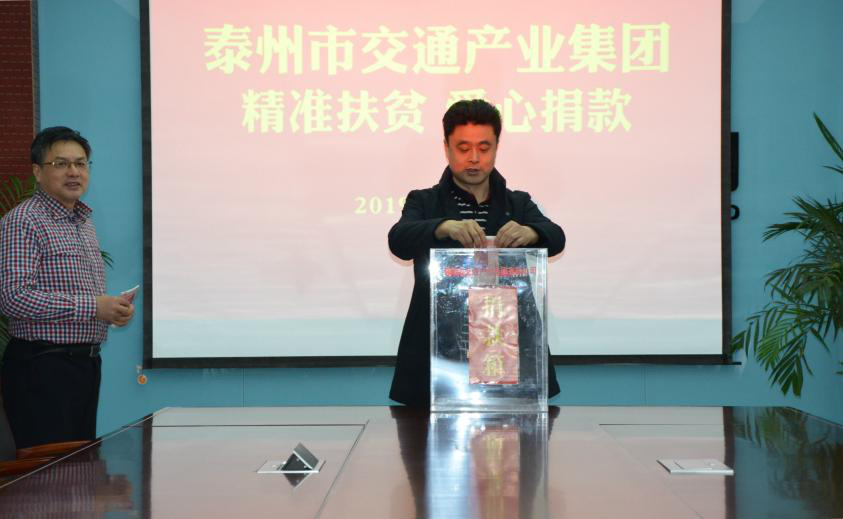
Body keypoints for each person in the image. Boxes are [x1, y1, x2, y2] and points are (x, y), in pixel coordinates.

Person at [388, 99, 565, 406]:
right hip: (437, 354)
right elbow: (398, 240)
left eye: (484, 148)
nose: (474, 158)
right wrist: (443, 227)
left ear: (496, 148)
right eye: (463, 148)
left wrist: (532, 232)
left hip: (505, 349)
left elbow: (557, 237)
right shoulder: (424, 202)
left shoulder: (517, 203)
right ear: (446, 148)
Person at [0, 126, 134, 448]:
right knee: (50, 471)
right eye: (61, 164)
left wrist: (112, 311)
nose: (74, 172)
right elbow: (13, 297)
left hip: (84, 365)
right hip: (42, 367)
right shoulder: (24, 221)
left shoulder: (83, 223)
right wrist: (94, 307)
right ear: (37, 171)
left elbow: (79, 294)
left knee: (78, 466)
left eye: (81, 163)